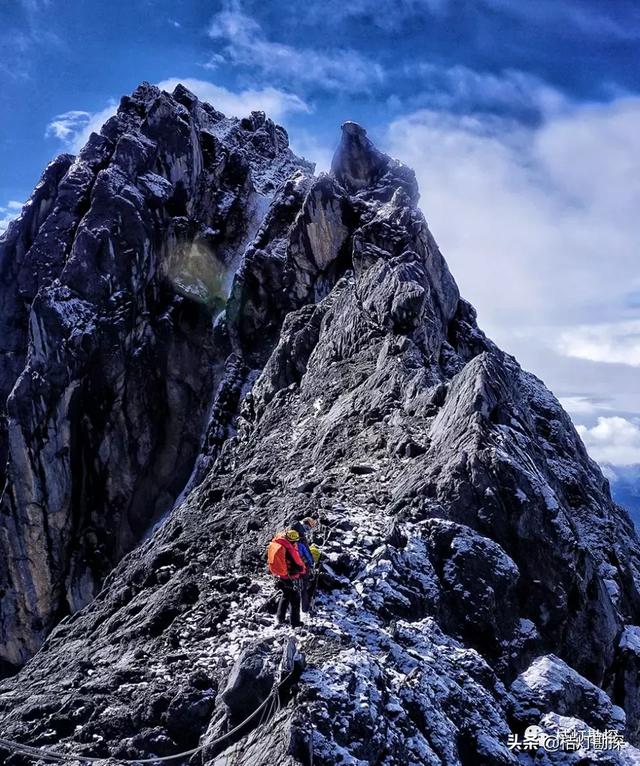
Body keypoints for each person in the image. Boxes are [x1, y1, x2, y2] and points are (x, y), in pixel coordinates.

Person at [266, 529, 307, 627]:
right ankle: (295, 622)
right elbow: (299, 564)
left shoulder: (278, 542)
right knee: (295, 600)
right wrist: (303, 571)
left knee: (285, 596)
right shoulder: (289, 549)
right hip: (291, 577)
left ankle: (280, 618)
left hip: (282, 575)